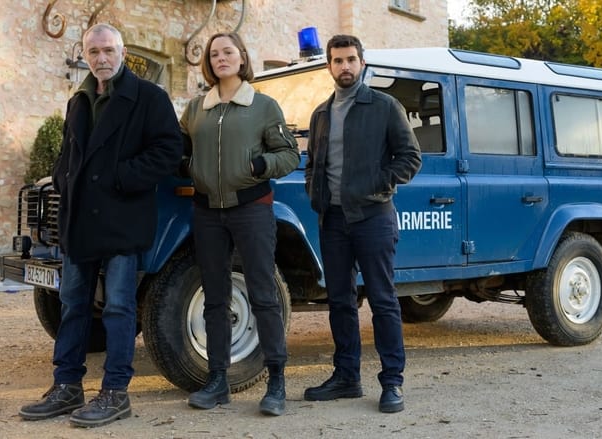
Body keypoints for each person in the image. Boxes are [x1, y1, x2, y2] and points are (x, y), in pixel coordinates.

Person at [18, 23, 183, 428]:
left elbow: (168, 151)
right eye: (93, 52)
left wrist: (120, 177)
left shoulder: (148, 97)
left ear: (123, 53)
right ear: (86, 56)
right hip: (79, 223)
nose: (101, 59)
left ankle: (115, 393)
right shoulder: (79, 99)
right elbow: (67, 154)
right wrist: (62, 178)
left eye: (108, 50)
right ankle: (67, 386)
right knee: (73, 305)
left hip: (122, 219)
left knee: (119, 307)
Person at [179, 32, 300, 416]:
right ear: (208, 63)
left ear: (242, 57)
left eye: (227, 51)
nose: (220, 58)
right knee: (215, 297)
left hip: (251, 209)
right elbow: (179, 149)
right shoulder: (196, 108)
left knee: (263, 294)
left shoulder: (263, 106)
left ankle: (276, 381)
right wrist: (188, 168)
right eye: (214, 54)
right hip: (207, 212)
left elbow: (289, 154)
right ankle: (217, 381)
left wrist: (260, 166)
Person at [303, 34, 421, 413]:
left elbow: (410, 158)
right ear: (329, 66)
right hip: (333, 220)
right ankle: (346, 377)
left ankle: (392, 383)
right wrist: (314, 193)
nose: (345, 67)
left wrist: (375, 186)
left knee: (384, 301)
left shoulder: (385, 106)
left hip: (373, 217)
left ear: (362, 63)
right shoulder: (321, 113)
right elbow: (313, 164)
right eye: (338, 61)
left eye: (351, 59)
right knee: (340, 301)